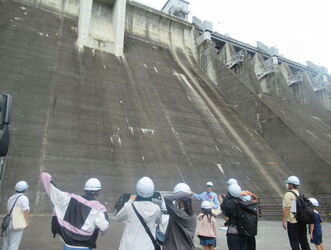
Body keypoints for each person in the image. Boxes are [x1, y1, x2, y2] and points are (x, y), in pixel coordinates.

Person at [40, 172, 109, 250]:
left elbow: (54, 192)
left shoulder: (70, 198)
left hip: (68, 246)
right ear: (98, 192)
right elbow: (104, 227)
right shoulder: (98, 208)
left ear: (85, 189)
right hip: (85, 247)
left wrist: (46, 176)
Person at [113, 177, 161, 250]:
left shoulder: (129, 207)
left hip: (129, 247)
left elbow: (118, 218)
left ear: (137, 191)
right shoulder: (156, 209)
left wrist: (130, 200)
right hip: (148, 247)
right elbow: (159, 222)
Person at [162, 183, 197, 250]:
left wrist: (183, 194)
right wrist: (187, 194)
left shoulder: (177, 214)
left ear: (179, 198)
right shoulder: (193, 215)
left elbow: (167, 199)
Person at [282, 176, 311, 250]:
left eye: (288, 183)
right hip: (302, 221)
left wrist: (284, 220)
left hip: (293, 222)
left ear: (291, 185)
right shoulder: (299, 193)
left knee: (294, 243)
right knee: (304, 242)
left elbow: (287, 208)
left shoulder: (288, 194)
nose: (287, 185)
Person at [2, 181, 30, 250]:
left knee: (6, 244)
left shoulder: (11, 198)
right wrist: (26, 222)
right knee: (14, 244)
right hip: (17, 222)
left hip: (9, 222)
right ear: (25, 189)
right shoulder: (24, 198)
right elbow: (25, 211)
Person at [221, 183, 248, 250]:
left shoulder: (229, 203)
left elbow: (224, 210)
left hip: (233, 232)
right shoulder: (243, 201)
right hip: (245, 231)